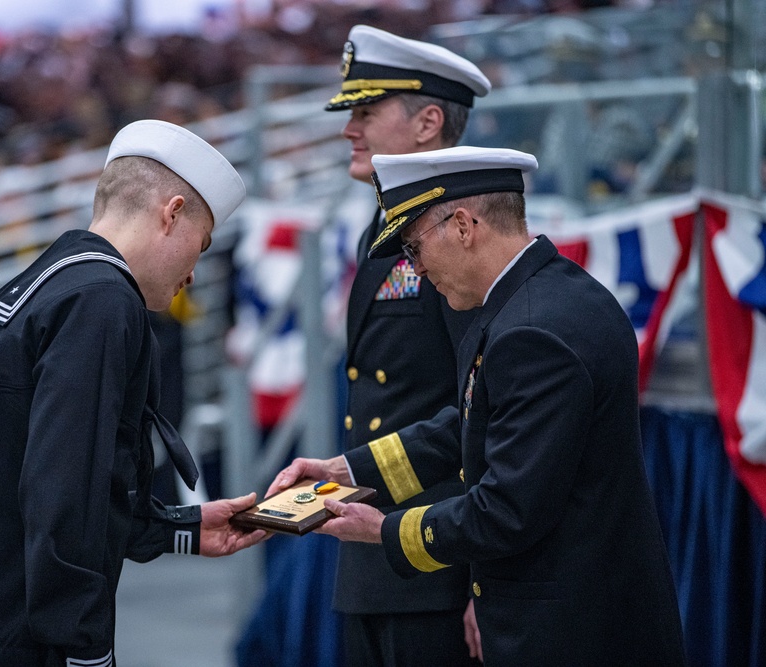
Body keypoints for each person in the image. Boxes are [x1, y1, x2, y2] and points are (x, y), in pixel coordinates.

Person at [268, 146, 687, 666]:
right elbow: (469, 426)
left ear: (464, 226)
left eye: (415, 248)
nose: (416, 269)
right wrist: (347, 471)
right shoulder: (538, 297)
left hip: (571, 632)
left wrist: (383, 530)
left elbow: (507, 510)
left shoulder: (532, 329)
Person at [0, 120, 268, 667]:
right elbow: (64, 493)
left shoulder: (50, 283)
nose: (192, 274)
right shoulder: (102, 301)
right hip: (32, 643)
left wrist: (177, 529)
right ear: (172, 213)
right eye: (200, 244)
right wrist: (83, 650)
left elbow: (35, 479)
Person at [324, 24, 490, 666]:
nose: (350, 129)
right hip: (375, 554)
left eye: (367, 112)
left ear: (428, 122)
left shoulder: (462, 231)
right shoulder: (385, 225)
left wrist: (481, 578)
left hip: (437, 559)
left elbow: (484, 410)